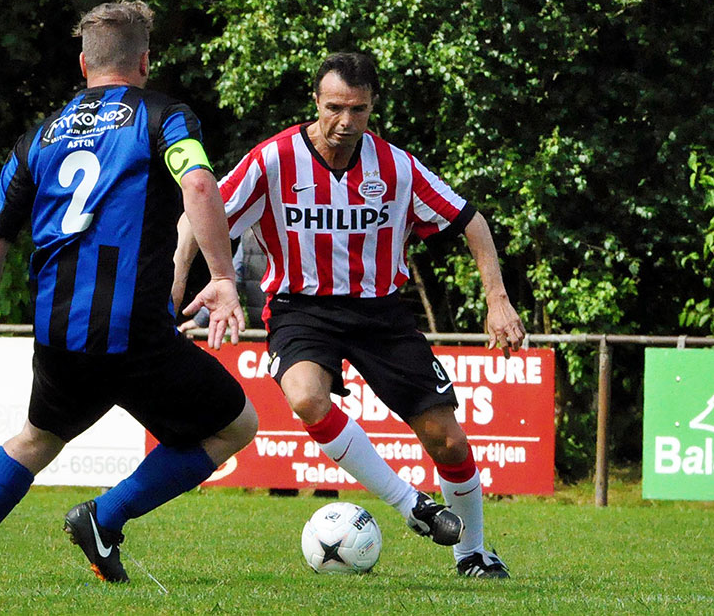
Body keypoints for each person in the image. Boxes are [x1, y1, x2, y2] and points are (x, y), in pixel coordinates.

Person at [0, 0, 258, 584]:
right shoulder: (164, 116)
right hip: (134, 332)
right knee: (236, 425)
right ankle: (105, 515)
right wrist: (223, 277)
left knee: (36, 440)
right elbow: (198, 181)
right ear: (145, 61)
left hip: (58, 332)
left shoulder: (39, 137)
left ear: (83, 63)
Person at [174, 52, 526, 579]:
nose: (344, 122)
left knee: (447, 439)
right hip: (300, 308)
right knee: (305, 397)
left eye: (357, 110)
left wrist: (497, 299)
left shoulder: (397, 167)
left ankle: (472, 552)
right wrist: (175, 287)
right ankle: (412, 506)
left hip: (381, 312)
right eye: (334, 107)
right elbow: (196, 215)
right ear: (315, 102)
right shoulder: (274, 159)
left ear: (371, 107)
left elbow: (470, 221)